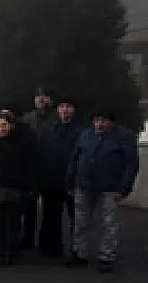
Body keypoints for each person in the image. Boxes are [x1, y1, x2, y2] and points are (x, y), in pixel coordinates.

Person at [65, 110, 139, 273]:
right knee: (80, 221)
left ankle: (106, 256)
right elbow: (75, 158)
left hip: (110, 187)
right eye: (96, 120)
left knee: (109, 223)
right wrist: (70, 180)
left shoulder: (124, 137)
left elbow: (131, 164)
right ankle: (79, 252)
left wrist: (124, 187)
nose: (99, 124)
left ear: (111, 122)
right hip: (84, 184)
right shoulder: (85, 135)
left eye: (103, 121)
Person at [0, 111, 35, 266]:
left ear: (11, 126)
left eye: (4, 125)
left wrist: (24, 184)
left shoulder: (21, 143)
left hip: (15, 188)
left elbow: (29, 166)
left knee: (12, 223)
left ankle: (9, 252)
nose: (1, 129)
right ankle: (0, 252)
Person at [37, 98, 85, 257]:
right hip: (52, 180)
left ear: (74, 109)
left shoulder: (82, 131)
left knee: (76, 218)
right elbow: (42, 154)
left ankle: (77, 249)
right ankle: (50, 247)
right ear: (57, 109)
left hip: (74, 181)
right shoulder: (49, 129)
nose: (65, 110)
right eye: (62, 106)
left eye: (68, 106)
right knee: (50, 216)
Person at [20, 88, 57, 250]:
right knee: (28, 209)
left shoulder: (57, 119)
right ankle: (27, 240)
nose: (41, 100)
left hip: (52, 170)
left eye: (45, 97)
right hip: (31, 170)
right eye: (38, 97)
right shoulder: (27, 119)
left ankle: (48, 243)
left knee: (52, 210)